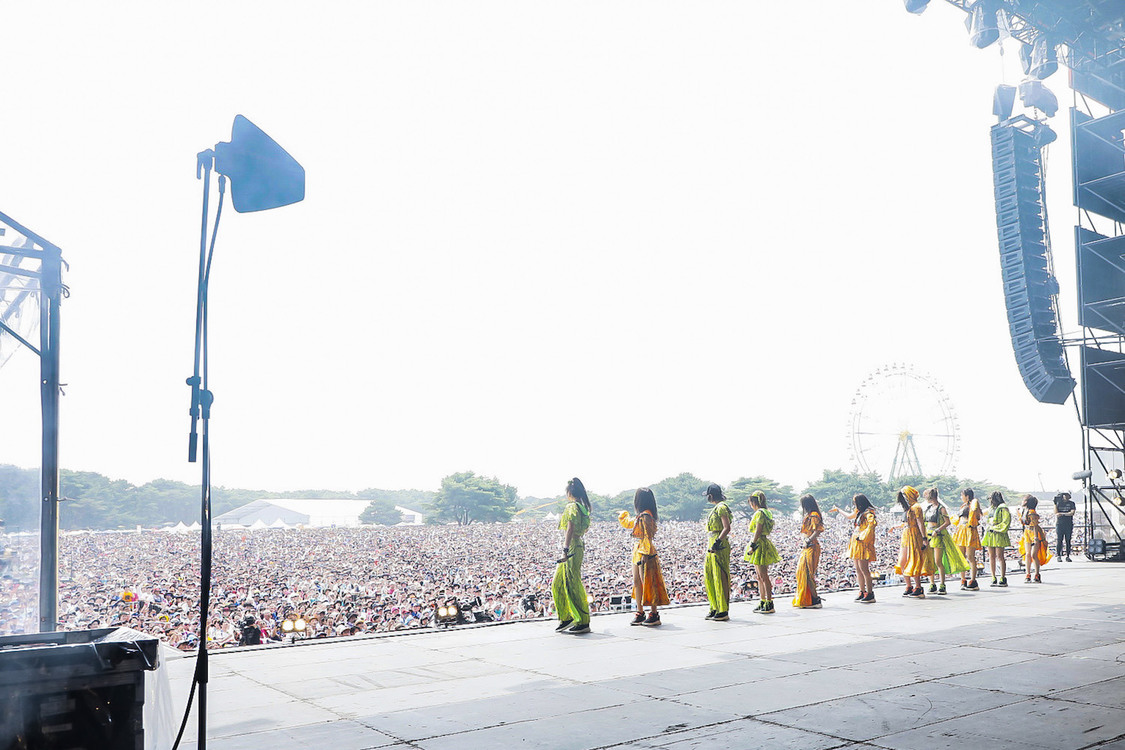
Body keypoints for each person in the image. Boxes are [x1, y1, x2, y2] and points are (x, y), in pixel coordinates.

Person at [618, 487, 670, 626]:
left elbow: (648, 536)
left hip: (645, 552)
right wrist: (623, 515)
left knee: (648, 582)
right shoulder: (642, 515)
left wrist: (645, 554)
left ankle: (654, 614)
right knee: (637, 582)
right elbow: (630, 523)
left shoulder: (646, 515)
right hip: (638, 550)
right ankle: (640, 612)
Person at [552, 478, 592, 634]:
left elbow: (570, 529)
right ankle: (566, 617)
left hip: (572, 547)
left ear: (569, 492)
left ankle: (582, 621)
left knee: (572, 584)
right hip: (577, 545)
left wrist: (565, 549)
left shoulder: (572, 507)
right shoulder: (583, 508)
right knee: (558, 583)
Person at [832, 493, 878, 603]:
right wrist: (838, 510)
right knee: (858, 569)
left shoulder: (868, 513)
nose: (854, 504)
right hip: (856, 542)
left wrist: (863, 535)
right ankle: (862, 591)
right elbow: (849, 516)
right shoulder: (860, 512)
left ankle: (870, 593)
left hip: (862, 542)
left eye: (855, 502)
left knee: (864, 570)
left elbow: (872, 525)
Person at [923, 487, 968, 595]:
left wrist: (938, 530)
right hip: (929, 535)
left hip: (938, 536)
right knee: (930, 561)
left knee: (938, 561)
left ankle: (942, 584)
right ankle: (932, 584)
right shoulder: (928, 508)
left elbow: (947, 522)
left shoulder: (941, 508)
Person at [744, 491, 782, 614]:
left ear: (754, 502)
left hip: (759, 544)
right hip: (762, 543)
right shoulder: (766, 512)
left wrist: (753, 545)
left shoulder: (759, 513)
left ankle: (769, 603)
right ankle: (763, 601)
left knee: (763, 576)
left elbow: (758, 530)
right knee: (760, 577)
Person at [896, 486, 933, 598]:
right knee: (903, 561)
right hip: (906, 535)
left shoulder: (916, 507)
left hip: (915, 535)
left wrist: (924, 538)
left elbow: (920, 523)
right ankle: (909, 585)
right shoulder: (908, 508)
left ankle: (918, 587)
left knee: (914, 559)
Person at [703, 483, 732, 621]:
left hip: (718, 544)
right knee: (710, 575)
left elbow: (727, 527)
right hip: (713, 542)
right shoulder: (717, 508)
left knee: (720, 576)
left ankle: (723, 609)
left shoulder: (721, 507)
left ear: (711, 495)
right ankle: (715, 607)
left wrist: (717, 542)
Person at [792, 494, 824, 609]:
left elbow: (818, 530)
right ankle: (808, 599)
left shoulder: (814, 515)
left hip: (811, 546)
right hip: (807, 547)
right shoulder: (809, 515)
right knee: (802, 572)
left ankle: (815, 599)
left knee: (807, 573)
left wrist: (808, 540)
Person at [953, 488, 983, 591]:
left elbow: (977, 516)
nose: (961, 497)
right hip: (961, 530)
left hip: (970, 530)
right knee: (961, 557)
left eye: (962, 495)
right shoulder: (963, 506)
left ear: (967, 496)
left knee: (970, 557)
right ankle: (963, 579)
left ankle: (973, 580)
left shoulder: (974, 504)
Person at [981, 491, 1012, 587]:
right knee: (991, 556)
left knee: (1000, 556)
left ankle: (1002, 577)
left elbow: (1006, 521)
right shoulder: (991, 508)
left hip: (998, 534)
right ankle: (993, 577)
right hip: (990, 533)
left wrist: (996, 528)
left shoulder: (1003, 508)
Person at [1019, 494, 1051, 583]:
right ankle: (1028, 574)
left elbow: (1035, 526)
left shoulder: (1032, 512)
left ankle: (1036, 574)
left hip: (1034, 534)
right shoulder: (1025, 511)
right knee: (1028, 554)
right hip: (1027, 533)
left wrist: (1036, 538)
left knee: (1033, 555)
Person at [1053, 492, 1076, 562]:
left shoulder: (1071, 503)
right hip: (1060, 524)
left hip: (1068, 524)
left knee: (1068, 540)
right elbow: (1056, 513)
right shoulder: (1058, 503)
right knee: (1059, 540)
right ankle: (1059, 555)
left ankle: (1067, 555)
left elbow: (1072, 513)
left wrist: (1062, 514)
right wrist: (1055, 504)